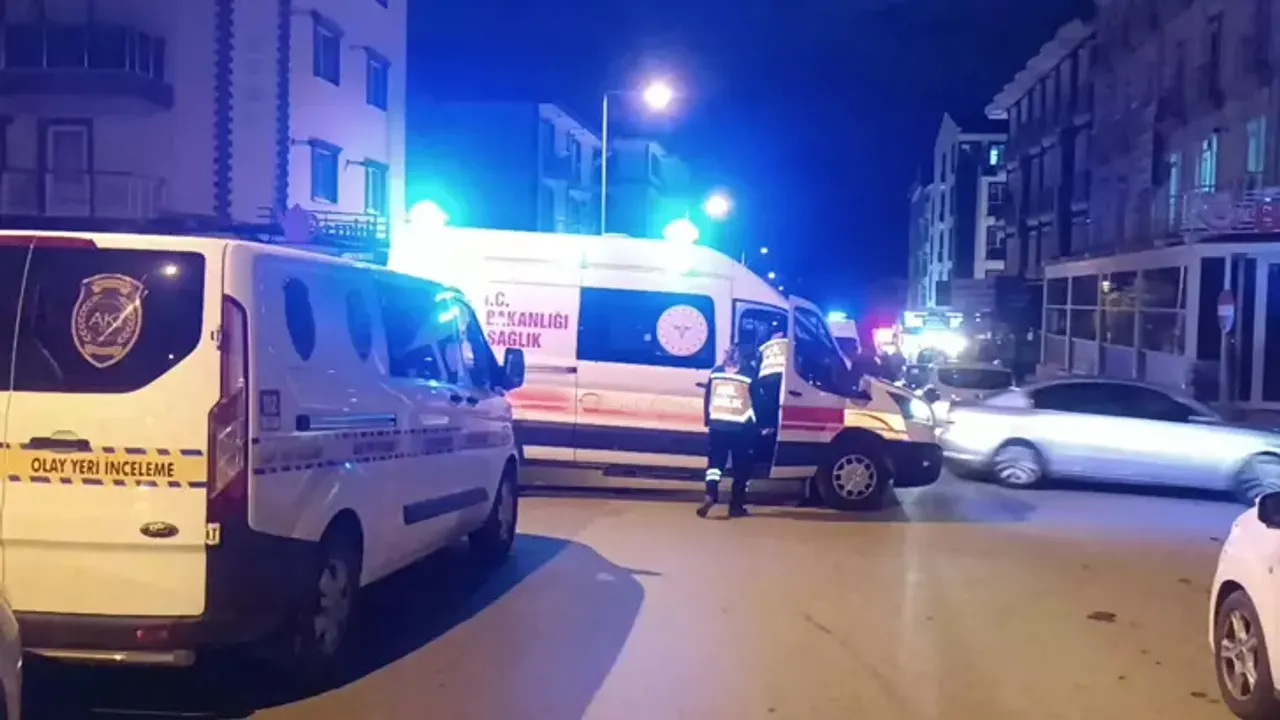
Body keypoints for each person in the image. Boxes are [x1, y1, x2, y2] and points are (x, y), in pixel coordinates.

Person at [698, 344, 761, 518]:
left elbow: (708, 397)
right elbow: (758, 401)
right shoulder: (748, 374)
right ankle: (736, 506)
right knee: (741, 467)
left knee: (715, 464)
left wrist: (708, 420)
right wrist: (761, 425)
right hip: (741, 427)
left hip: (717, 424)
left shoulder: (716, 372)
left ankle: (711, 494)